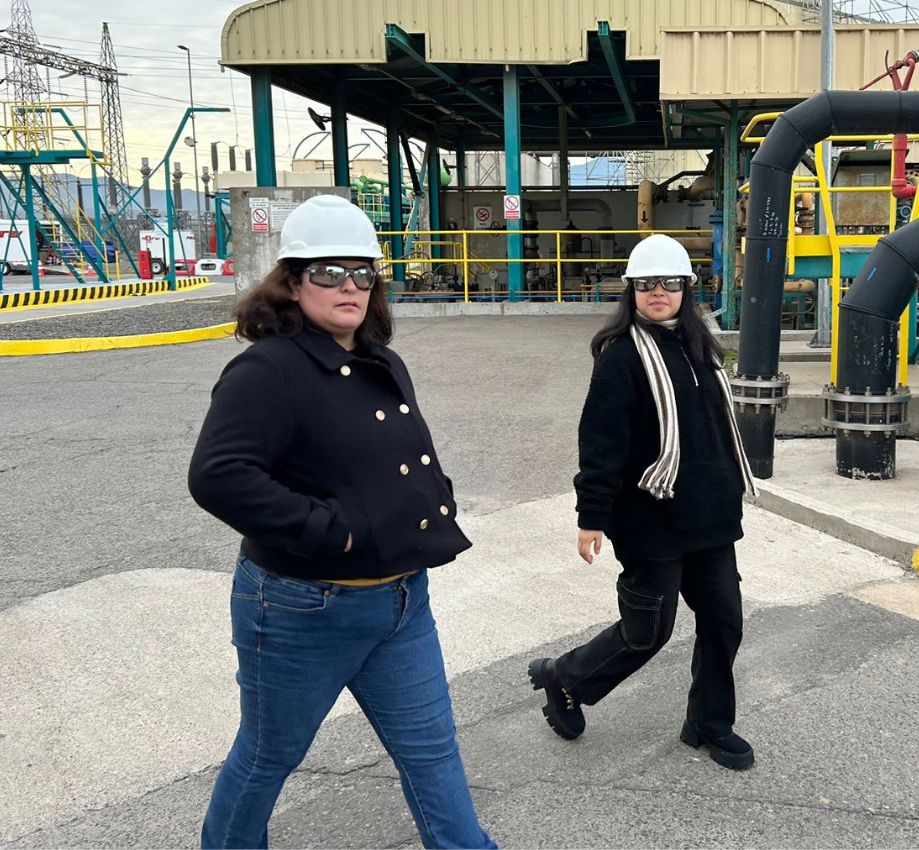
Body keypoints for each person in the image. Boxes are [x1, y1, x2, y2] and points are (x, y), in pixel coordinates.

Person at [188, 194, 495, 849]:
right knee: (268, 756)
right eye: (329, 272)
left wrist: (431, 499)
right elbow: (218, 475)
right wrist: (331, 531)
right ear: (293, 282)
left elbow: (398, 458)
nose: (350, 286)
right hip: (303, 608)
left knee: (432, 751)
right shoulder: (268, 370)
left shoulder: (381, 360)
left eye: (362, 272)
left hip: (402, 601)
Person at [527, 233, 760, 770]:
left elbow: (716, 432)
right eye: (647, 283)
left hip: (709, 517)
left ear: (686, 288)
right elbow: (600, 443)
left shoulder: (702, 348)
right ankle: (565, 678)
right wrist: (592, 517)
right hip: (649, 519)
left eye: (670, 282)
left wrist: (730, 493)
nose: (659, 291)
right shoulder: (621, 356)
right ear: (631, 289)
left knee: (724, 622)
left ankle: (709, 723)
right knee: (647, 632)